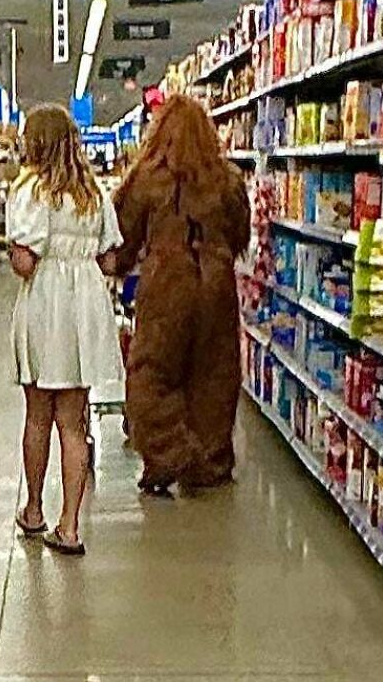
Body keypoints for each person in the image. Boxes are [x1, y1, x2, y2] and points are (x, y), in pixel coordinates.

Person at [111, 95, 251, 495]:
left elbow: (122, 238)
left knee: (150, 373)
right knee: (215, 375)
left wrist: (120, 266)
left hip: (166, 284)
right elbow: (241, 234)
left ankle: (169, 451)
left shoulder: (146, 177)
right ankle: (209, 461)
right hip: (217, 282)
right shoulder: (226, 179)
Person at [6, 104, 125, 556]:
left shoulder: (30, 190)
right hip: (84, 308)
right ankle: (70, 526)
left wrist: (16, 244)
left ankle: (34, 509)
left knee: (38, 416)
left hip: (46, 305)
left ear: (34, 144)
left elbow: (24, 263)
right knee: (73, 423)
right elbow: (110, 260)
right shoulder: (93, 192)